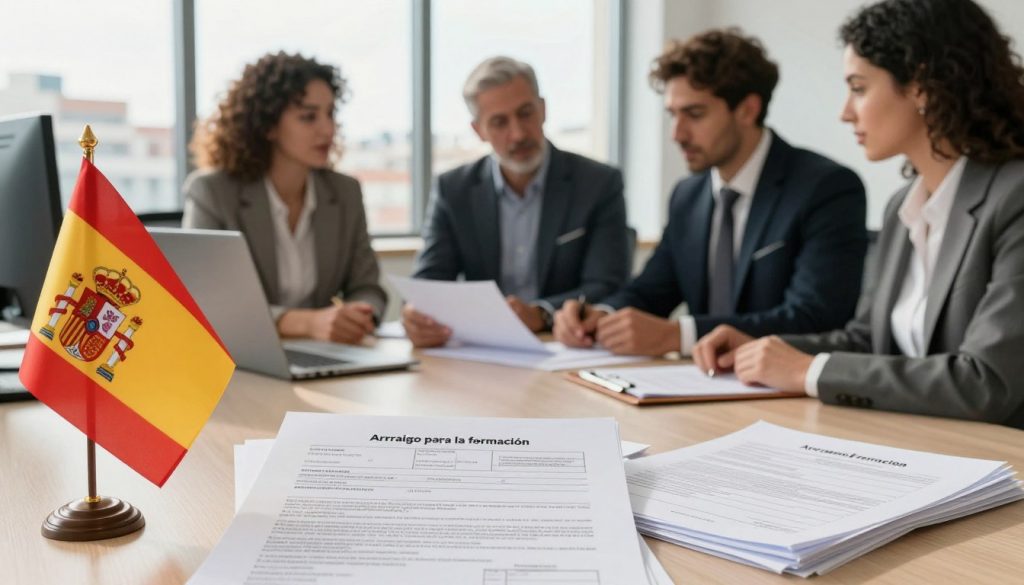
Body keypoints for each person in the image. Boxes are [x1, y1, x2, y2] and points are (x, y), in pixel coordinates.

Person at [693, 0, 1024, 427]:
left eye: (859, 87)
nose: (845, 112)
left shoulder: (1014, 199)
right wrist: (764, 347)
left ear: (921, 85)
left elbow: (986, 382)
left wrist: (805, 371)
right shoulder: (901, 207)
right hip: (918, 446)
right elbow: (868, 341)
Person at [554, 29, 867, 356]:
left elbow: (815, 318)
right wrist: (599, 317)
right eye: (673, 114)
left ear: (747, 110)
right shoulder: (688, 196)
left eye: (694, 114)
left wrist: (680, 336)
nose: (677, 134)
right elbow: (650, 292)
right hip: (703, 386)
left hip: (784, 392)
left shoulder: (825, 188)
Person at [402, 56, 630, 348]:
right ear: (478, 130)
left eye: (525, 114)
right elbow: (430, 284)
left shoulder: (598, 183)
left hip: (566, 347)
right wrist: (416, 315)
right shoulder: (453, 190)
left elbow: (607, 285)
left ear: (543, 109)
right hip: (482, 352)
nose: (519, 134)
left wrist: (541, 313)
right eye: (499, 122)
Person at [183, 52, 386, 344]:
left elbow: (368, 287)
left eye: (330, 114)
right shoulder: (213, 192)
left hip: (326, 354)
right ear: (268, 125)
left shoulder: (345, 192)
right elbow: (206, 301)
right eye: (308, 117)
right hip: (241, 357)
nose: (327, 129)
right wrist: (304, 322)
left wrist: (359, 315)